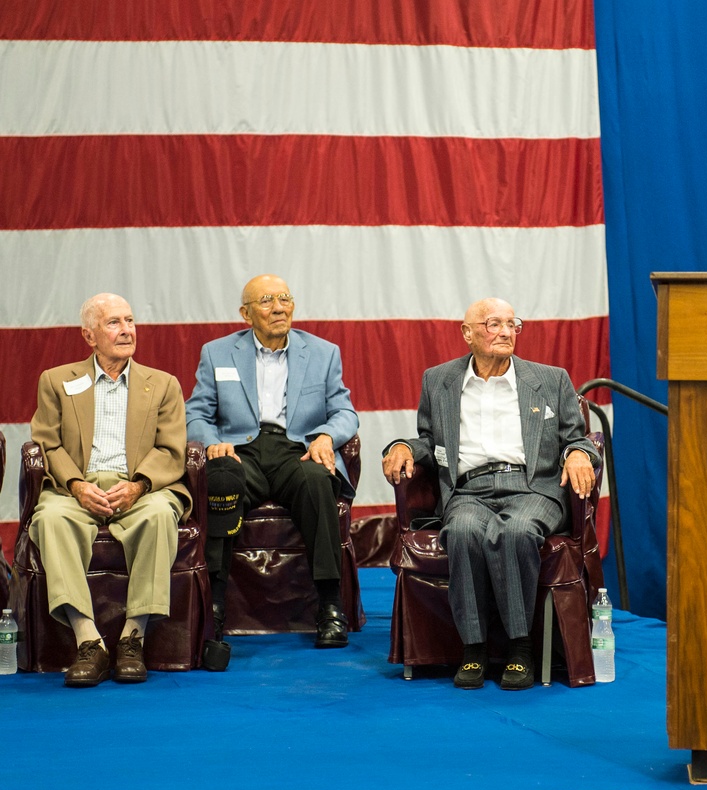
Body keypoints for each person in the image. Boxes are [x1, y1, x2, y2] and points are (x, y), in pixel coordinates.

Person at [381, 298, 600, 691]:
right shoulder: (439, 380)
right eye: (492, 324)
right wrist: (402, 446)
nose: (505, 331)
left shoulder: (550, 379)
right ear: (467, 334)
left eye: (511, 323)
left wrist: (582, 453)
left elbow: (577, 437)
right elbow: (431, 442)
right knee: (463, 531)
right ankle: (474, 647)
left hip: (532, 486)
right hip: (469, 488)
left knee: (516, 532)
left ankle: (520, 648)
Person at [186, 274, 359, 654]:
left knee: (317, 481)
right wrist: (214, 444)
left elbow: (345, 411)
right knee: (221, 481)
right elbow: (196, 414)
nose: (278, 307)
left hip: (296, 448)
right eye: (266, 301)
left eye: (284, 298)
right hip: (239, 450)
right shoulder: (217, 352)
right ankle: (214, 603)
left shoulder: (322, 352)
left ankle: (330, 605)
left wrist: (326, 437)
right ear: (245, 313)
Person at [29, 294, 190, 687]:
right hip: (76, 488)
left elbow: (173, 449)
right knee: (50, 518)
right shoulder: (56, 380)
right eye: (114, 323)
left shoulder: (163, 384)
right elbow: (46, 444)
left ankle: (132, 638)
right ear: (89, 335)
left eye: (130, 321)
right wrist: (77, 485)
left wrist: (138, 486)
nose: (126, 330)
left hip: (141, 486)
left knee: (158, 515)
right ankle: (90, 641)